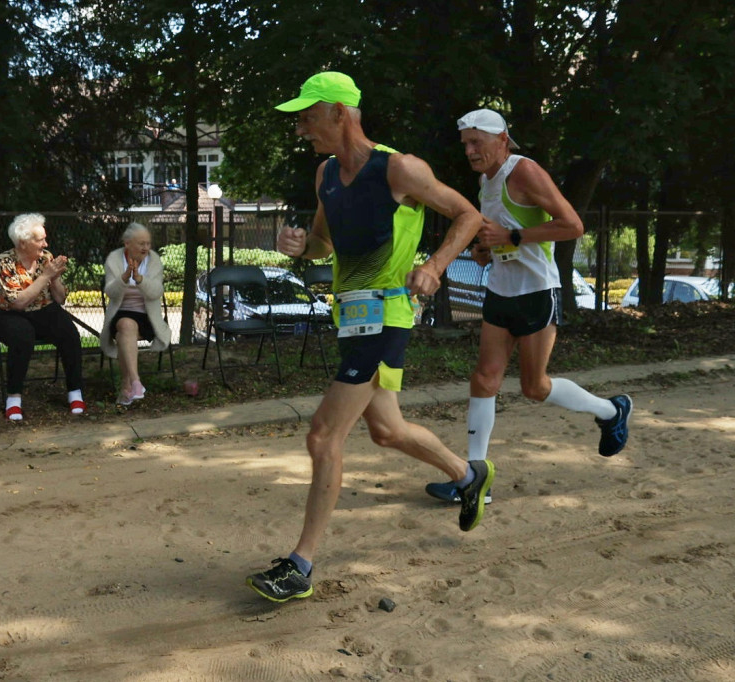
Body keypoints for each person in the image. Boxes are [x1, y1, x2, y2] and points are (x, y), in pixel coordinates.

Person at [245, 72, 494, 604]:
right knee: (386, 429)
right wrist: (298, 247)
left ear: (339, 112)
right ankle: (466, 473)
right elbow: (322, 245)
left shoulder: (399, 168)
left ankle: (300, 564)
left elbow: (469, 215)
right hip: (352, 315)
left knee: (322, 434)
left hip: (388, 313)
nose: (300, 128)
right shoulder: (325, 175)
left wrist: (436, 264)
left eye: (307, 116)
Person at [423, 109, 632, 504]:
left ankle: (610, 411)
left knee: (534, 388)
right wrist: (485, 249)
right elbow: (498, 236)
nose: (469, 151)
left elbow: (572, 225)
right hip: (501, 290)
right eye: (465, 144)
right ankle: (473, 480)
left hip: (537, 291)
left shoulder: (525, 171)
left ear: (502, 139)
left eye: (476, 143)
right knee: (484, 379)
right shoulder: (485, 180)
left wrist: (513, 236)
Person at [0, 213, 86, 420]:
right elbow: (18, 302)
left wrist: (55, 278)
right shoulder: (5, 261)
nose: (46, 243)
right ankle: (14, 399)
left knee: (69, 333)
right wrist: (45, 277)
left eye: (45, 238)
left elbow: (60, 299)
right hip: (10, 314)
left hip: (44, 309)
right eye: (40, 240)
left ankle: (75, 392)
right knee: (22, 337)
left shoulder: (46, 258)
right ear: (23, 243)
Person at [100, 222, 171, 405]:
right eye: (141, 243)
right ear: (127, 243)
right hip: (121, 311)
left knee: (125, 333)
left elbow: (156, 292)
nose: (146, 248)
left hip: (148, 316)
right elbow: (111, 292)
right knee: (125, 325)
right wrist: (124, 277)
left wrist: (140, 279)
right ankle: (136, 381)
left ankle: (127, 385)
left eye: (148, 243)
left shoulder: (154, 260)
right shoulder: (114, 259)